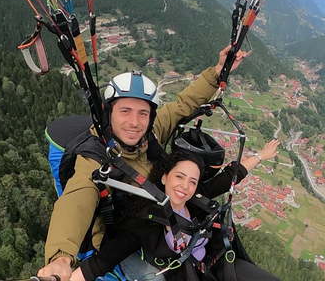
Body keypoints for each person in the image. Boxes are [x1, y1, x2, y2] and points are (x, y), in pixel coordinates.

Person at [38, 46, 249, 281]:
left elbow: (182, 105)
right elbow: (77, 201)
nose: (134, 122)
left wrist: (217, 72)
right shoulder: (94, 159)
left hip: (157, 221)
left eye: (142, 113)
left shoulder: (151, 134)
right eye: (125, 111)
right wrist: (60, 258)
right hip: (124, 239)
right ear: (109, 114)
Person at [71, 142, 281, 281]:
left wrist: (261, 155)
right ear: (164, 177)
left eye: (192, 181)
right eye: (179, 177)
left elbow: (229, 177)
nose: (185, 187)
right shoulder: (146, 221)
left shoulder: (197, 200)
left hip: (218, 266)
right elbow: (105, 260)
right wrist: (66, 274)